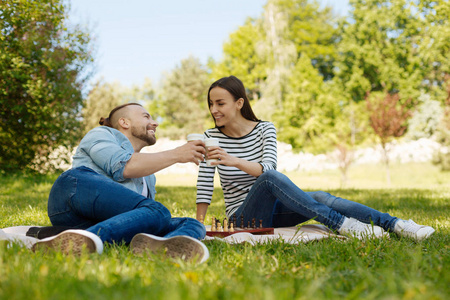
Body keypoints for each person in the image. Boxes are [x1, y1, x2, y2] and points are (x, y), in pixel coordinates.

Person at [195, 75, 435, 241]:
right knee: (269, 179)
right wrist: (199, 226)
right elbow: (205, 184)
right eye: (211, 103)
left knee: (319, 196)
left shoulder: (264, 129)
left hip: (274, 213)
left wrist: (232, 160)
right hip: (244, 217)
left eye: (220, 103)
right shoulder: (210, 137)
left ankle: (397, 225)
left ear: (239, 103)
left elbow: (268, 166)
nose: (213, 109)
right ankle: (342, 225)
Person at [32, 103, 209, 263]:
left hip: (105, 219)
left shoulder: (148, 175)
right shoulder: (102, 133)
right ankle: (78, 243)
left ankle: (163, 248)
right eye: (146, 117)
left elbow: (145, 217)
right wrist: (178, 154)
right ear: (124, 122)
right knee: (158, 211)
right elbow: (123, 166)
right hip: (72, 194)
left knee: (192, 223)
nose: (155, 123)